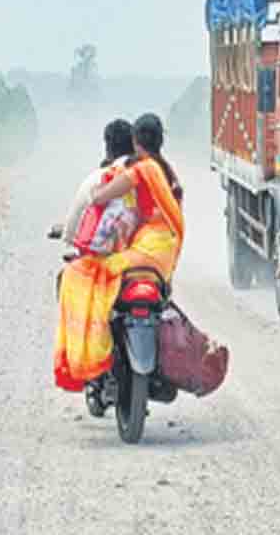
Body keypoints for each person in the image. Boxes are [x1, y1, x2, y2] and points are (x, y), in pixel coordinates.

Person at [53, 113, 185, 392]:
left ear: (137, 142)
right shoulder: (167, 172)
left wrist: (101, 192)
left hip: (148, 246)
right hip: (166, 251)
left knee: (93, 274)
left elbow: (100, 198)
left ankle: (94, 348)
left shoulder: (140, 171)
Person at [62, 119, 136, 254]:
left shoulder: (95, 179)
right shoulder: (148, 174)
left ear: (108, 148)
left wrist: (68, 235)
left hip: (100, 258)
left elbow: (72, 226)